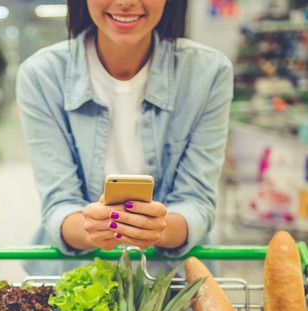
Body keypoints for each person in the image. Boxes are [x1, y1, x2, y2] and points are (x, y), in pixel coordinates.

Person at [16, 0, 233, 275]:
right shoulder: (41, 75)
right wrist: (90, 227)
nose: (126, 2)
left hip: (172, 286)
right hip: (76, 282)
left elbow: (197, 200)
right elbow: (59, 203)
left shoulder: (209, 72)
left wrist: (160, 229)